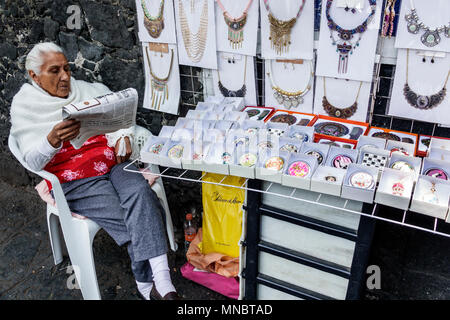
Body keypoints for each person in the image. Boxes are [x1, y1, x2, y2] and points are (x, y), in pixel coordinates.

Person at [9, 42, 180, 300]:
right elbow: (32, 163)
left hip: (113, 162)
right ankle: (156, 286)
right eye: (54, 71)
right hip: (75, 179)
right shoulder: (25, 106)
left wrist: (124, 137)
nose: (65, 76)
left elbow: (120, 119)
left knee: (139, 192)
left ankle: (157, 285)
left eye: (66, 68)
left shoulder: (86, 90)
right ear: (34, 75)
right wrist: (51, 140)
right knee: (136, 214)